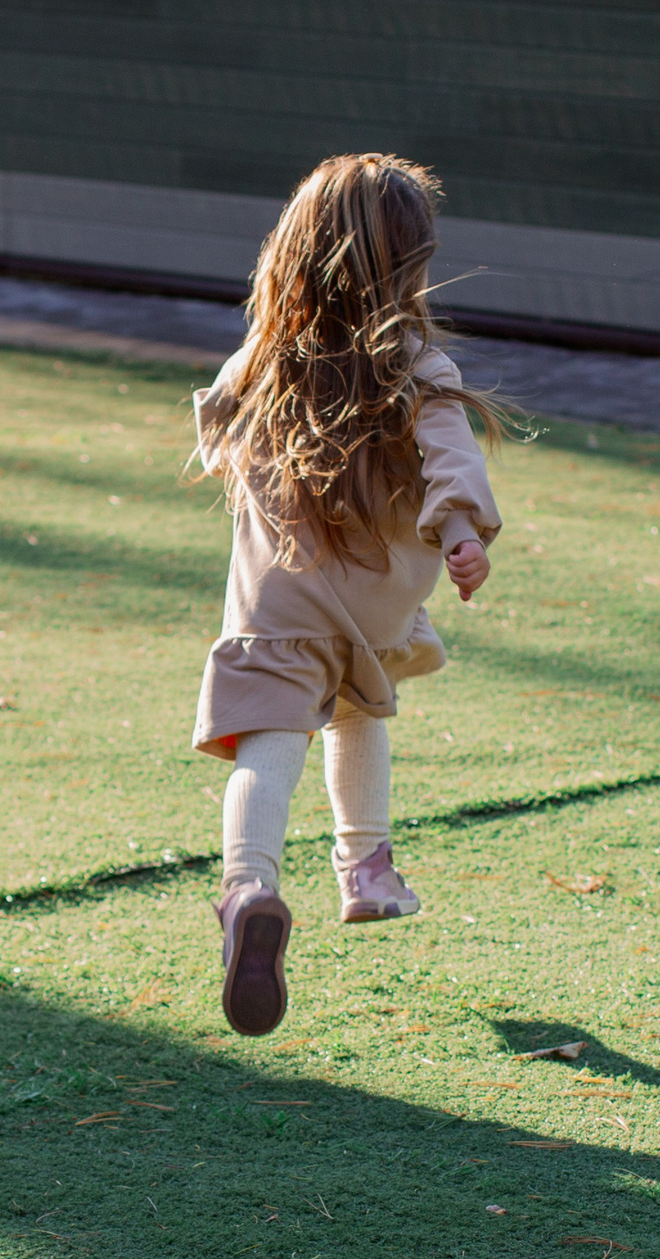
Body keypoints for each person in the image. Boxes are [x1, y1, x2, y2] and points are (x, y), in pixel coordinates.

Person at [187, 154, 507, 1036]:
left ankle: (248, 886)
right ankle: (366, 871)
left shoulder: (265, 359)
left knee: (269, 748)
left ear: (290, 254)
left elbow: (215, 424)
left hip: (276, 610)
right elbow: (451, 455)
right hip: (370, 609)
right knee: (363, 703)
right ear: (409, 268)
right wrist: (463, 532)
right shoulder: (415, 363)